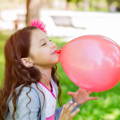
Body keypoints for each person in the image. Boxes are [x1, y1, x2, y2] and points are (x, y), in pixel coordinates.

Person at [0, 22, 98, 120]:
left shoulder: (51, 84)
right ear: (27, 61)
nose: (53, 45)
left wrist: (75, 102)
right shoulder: (28, 96)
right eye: (44, 44)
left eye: (49, 40)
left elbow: (50, 117)